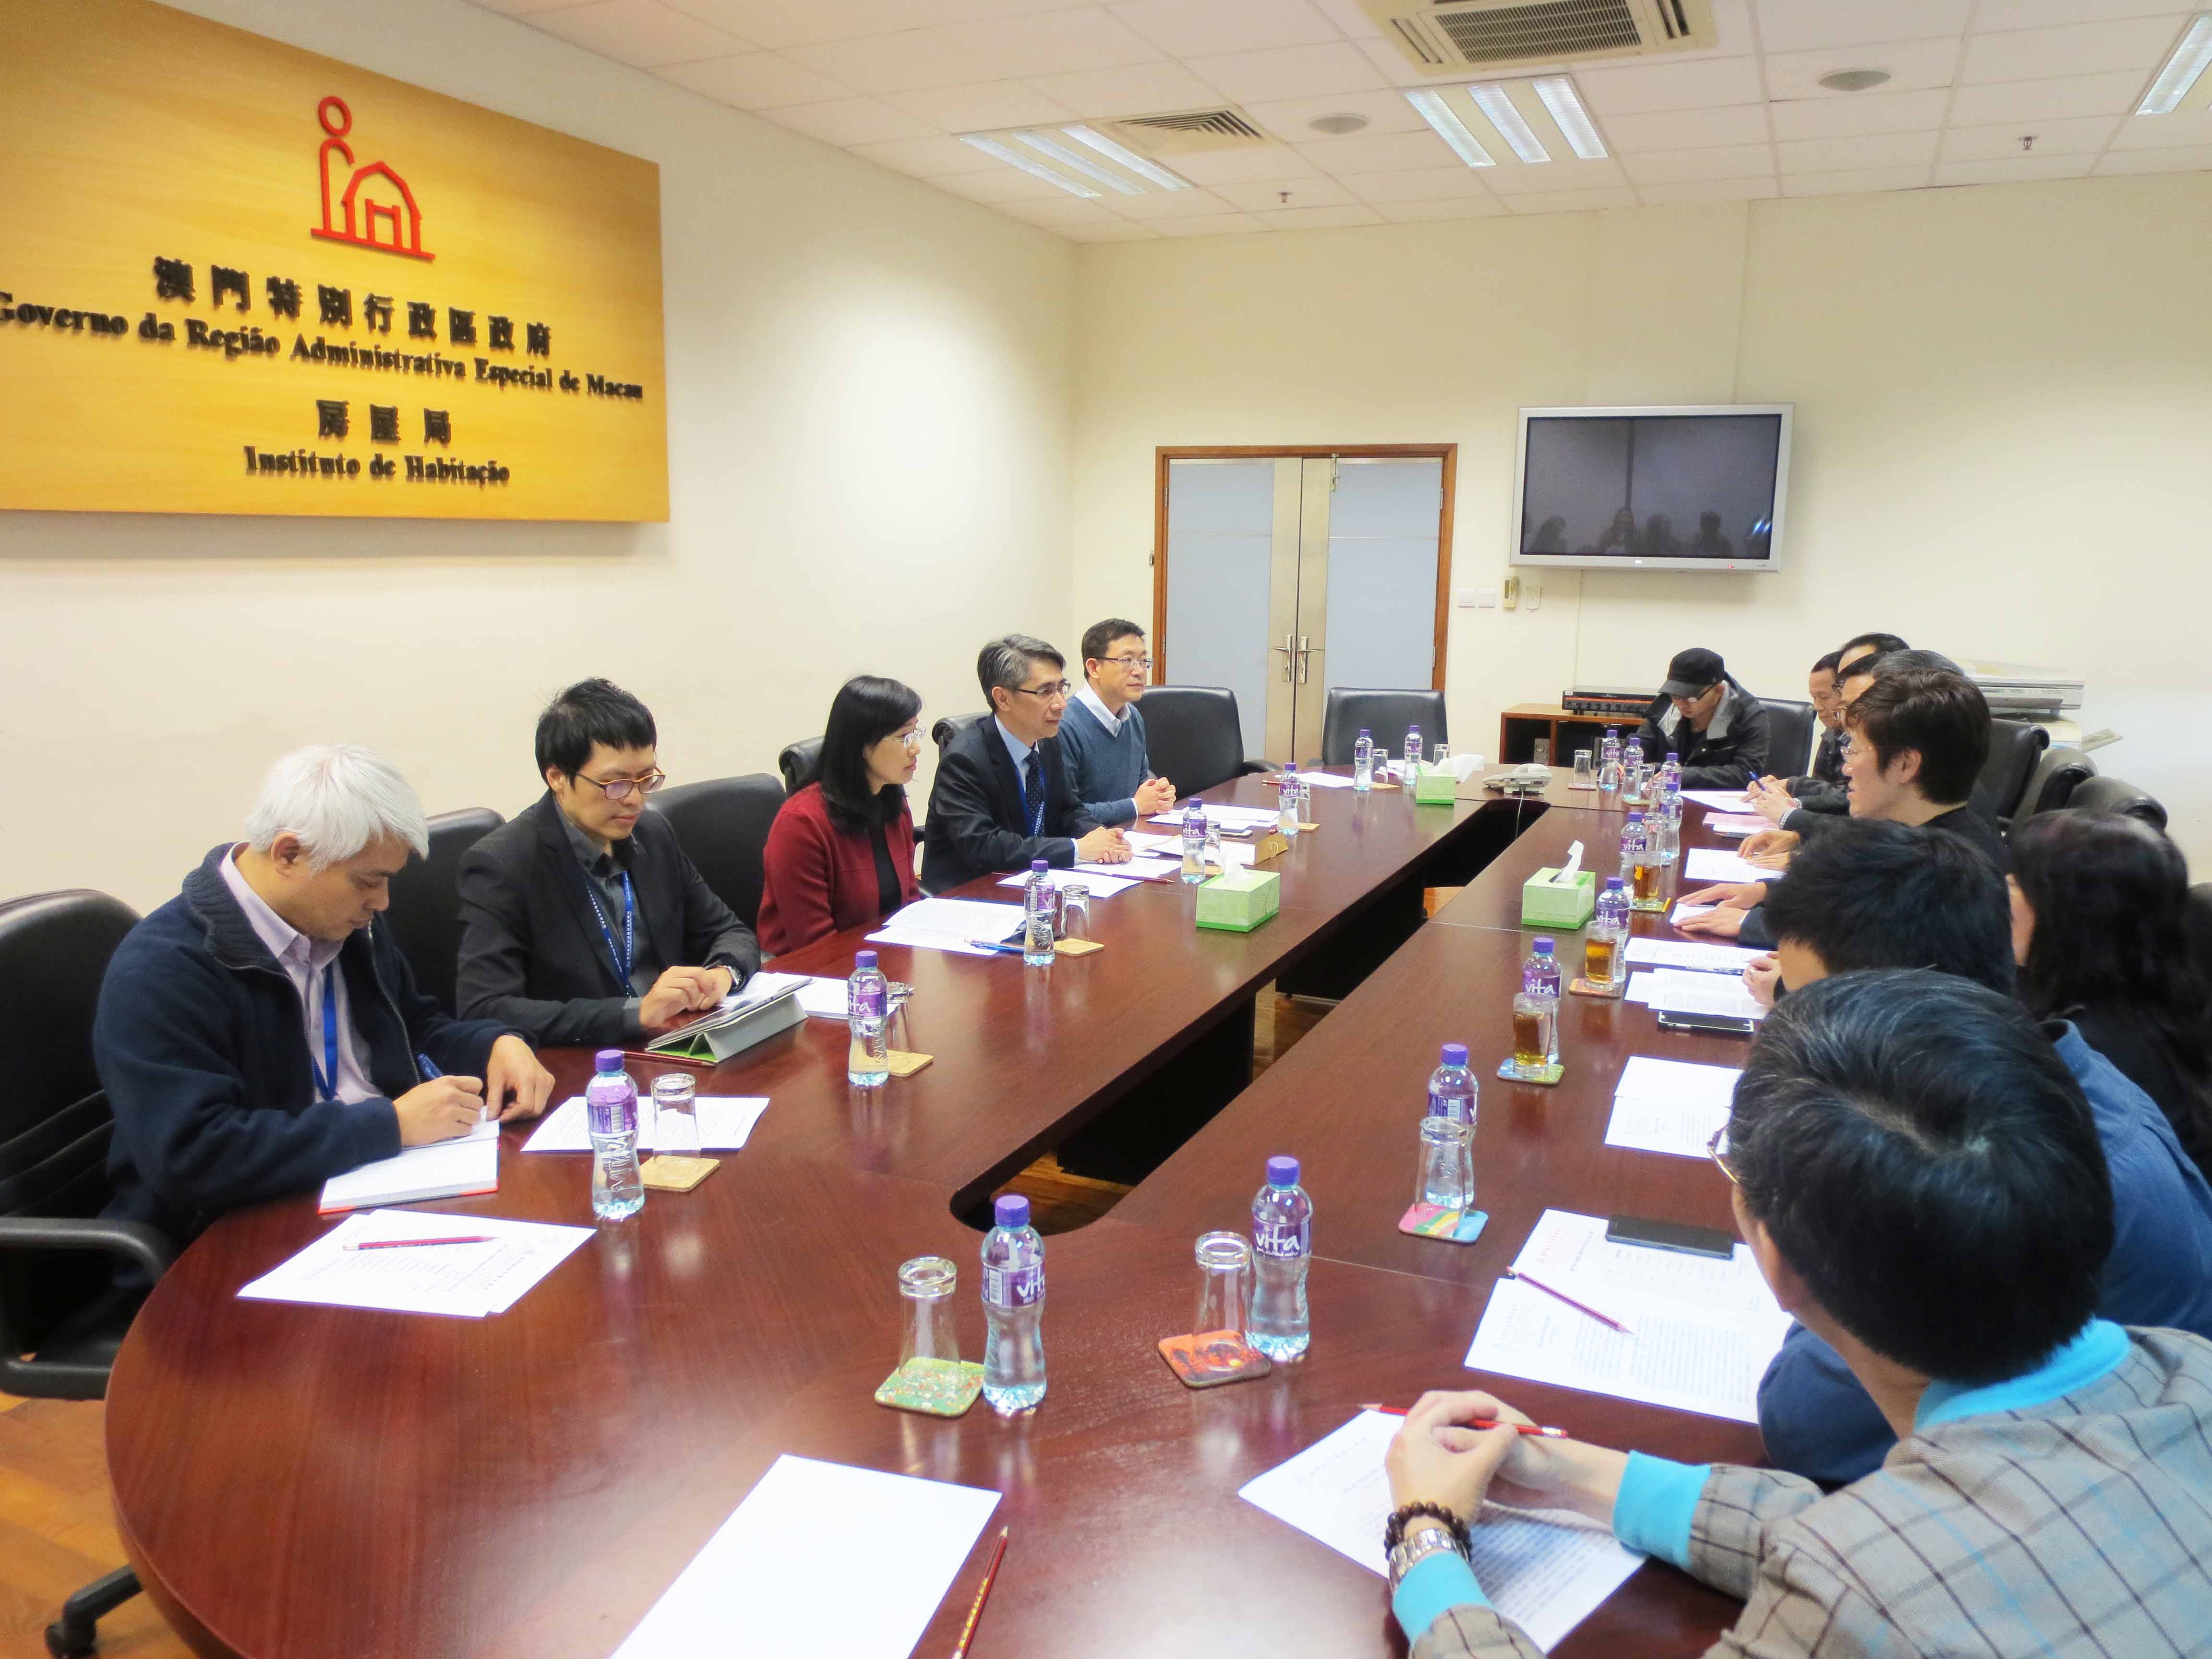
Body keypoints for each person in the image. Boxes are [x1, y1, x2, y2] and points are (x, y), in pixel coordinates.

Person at [1380, 971, 2212, 1658]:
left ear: (1776, 1261)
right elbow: (1940, 1538)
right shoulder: (2184, 1365)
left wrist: (1426, 1540)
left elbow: (1881, 1573)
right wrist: (1570, 1472)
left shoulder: (1857, 1600)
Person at [1738, 820, 2212, 1485]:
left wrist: (1805, 1228)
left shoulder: (1995, 1167)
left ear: (1890, 1006)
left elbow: (1809, 1426)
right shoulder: (2053, 1067)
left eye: (1805, 1006)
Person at [93, 745, 552, 1245]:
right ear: (289, 854)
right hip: (241, 1229)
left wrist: (495, 1044)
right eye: (368, 881)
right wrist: (389, 1125)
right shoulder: (163, 971)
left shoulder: (347, 924)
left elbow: (415, 1029)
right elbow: (192, 1157)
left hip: (377, 1184)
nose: (382, 902)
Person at [457, 679, 759, 1047]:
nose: (635, 800)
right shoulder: (503, 865)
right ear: (557, 777)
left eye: (646, 779)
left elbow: (732, 932)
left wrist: (722, 974)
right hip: (587, 1056)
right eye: (615, 784)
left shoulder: (653, 834)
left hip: (676, 1040)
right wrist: (634, 1013)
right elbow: (484, 1008)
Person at [1681, 667, 2003, 945]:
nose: (1846, 769)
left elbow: (1858, 945)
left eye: (1855, 752)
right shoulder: (1909, 834)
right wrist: (1766, 892)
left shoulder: (1950, 872)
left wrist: (1750, 926)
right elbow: (1842, 899)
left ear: (1906, 765)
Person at [2011, 810, 2212, 1174]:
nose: (2003, 888)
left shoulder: (2090, 1053)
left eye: (2017, 883)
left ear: (2070, 915)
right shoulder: (2135, 995)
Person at [921, 635, 1130, 892]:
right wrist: (1076, 849)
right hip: (973, 892)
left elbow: (1067, 810)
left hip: (1033, 883)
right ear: (1003, 699)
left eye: (1061, 688)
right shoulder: (964, 760)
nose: (1061, 704)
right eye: (1045, 692)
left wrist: (1101, 836)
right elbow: (984, 846)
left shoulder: (1046, 740)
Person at [756, 675, 924, 955]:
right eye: (903, 737)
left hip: (880, 962)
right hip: (810, 971)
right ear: (862, 744)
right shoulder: (801, 824)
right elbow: (815, 944)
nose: (916, 748)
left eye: (915, 733)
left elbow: (908, 904)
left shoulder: (893, 804)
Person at [1056, 618, 1177, 830]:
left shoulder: (1133, 717)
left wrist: (1157, 791)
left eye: (1143, 661)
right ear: (1094, 667)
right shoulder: (1064, 725)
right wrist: (1135, 806)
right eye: (1127, 660)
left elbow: (1141, 778)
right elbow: (1064, 814)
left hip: (1129, 836)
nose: (1139, 671)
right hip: (1087, 844)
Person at [1626, 647, 1770, 792]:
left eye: (1692, 698)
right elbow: (1639, 746)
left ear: (1719, 691)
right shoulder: (1667, 707)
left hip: (1715, 803)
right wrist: (1622, 763)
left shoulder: (1749, 716)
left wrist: (1685, 775)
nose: (1682, 704)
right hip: (1663, 797)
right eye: (1676, 696)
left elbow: (1747, 774)